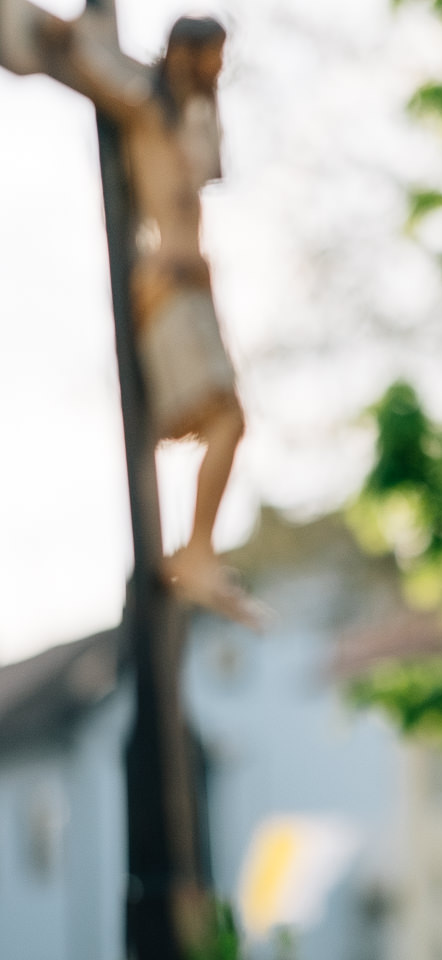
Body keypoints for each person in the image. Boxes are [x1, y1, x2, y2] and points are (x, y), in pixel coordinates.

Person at [2, 6, 261, 626]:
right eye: (209, 57)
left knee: (225, 420)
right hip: (168, 286)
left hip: (191, 287)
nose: (216, 70)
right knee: (226, 419)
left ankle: (198, 552)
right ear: (181, 55)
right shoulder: (146, 106)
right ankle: (196, 552)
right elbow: (79, 53)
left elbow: (208, 163)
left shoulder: (190, 117)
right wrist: (49, 28)